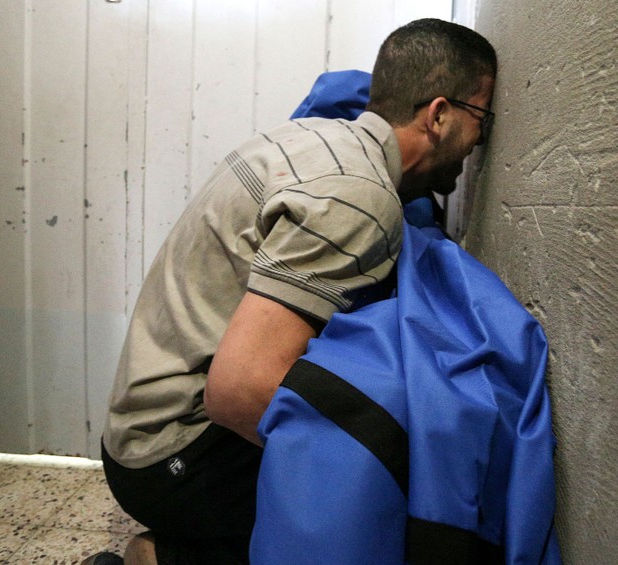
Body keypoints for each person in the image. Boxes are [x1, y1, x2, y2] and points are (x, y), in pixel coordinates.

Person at [82, 17, 497, 565]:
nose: (480, 141)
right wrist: (396, 485)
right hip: (171, 455)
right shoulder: (359, 198)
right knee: (384, 521)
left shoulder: (311, 138)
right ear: (439, 115)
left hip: (136, 430)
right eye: (481, 119)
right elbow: (239, 392)